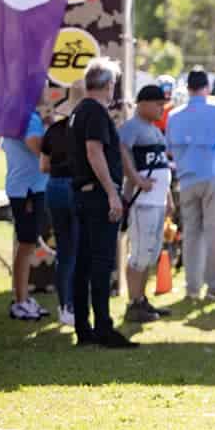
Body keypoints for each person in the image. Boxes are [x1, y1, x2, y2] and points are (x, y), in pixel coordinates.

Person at [69, 57, 152, 348]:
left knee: (84, 264)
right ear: (107, 84)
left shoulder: (80, 110)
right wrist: (112, 193)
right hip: (96, 195)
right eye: (113, 83)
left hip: (84, 194)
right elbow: (94, 152)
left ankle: (85, 328)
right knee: (100, 263)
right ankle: (102, 328)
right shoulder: (94, 111)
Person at [166, 69, 215, 301]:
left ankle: (192, 287)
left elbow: (170, 149)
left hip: (186, 179)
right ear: (207, 87)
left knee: (192, 233)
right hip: (214, 177)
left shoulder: (174, 115)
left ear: (187, 87)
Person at [120, 85, 174, 322]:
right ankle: (133, 303)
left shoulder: (153, 129)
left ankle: (141, 300)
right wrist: (135, 179)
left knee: (150, 253)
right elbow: (121, 151)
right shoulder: (132, 127)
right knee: (140, 253)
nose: (162, 109)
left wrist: (168, 197)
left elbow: (161, 164)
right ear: (142, 104)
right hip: (142, 201)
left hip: (157, 201)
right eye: (158, 104)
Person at [41, 80, 86, 326]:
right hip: (77, 189)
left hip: (54, 187)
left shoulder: (53, 130)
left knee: (64, 251)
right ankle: (75, 306)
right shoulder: (87, 129)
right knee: (79, 250)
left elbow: (43, 165)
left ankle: (63, 306)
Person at [4, 110, 50, 320]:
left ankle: (23, 298)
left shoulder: (27, 115)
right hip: (27, 190)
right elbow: (35, 145)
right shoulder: (29, 117)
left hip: (28, 187)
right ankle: (20, 301)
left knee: (28, 244)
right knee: (26, 244)